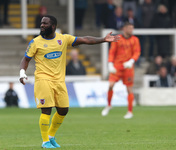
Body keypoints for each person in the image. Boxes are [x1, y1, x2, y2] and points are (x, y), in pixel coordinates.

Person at [19, 15, 119, 148]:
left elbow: (85, 40)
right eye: (41, 23)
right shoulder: (35, 42)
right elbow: (26, 59)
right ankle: (45, 141)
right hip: (43, 80)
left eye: (45, 23)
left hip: (59, 81)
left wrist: (103, 39)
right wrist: (22, 72)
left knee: (63, 110)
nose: (42, 25)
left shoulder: (63, 39)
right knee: (46, 110)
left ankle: (51, 136)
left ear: (53, 26)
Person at [101, 22, 141, 119]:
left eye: (132, 28)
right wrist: (110, 64)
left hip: (128, 67)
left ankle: (130, 111)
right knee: (110, 85)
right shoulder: (118, 38)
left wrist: (131, 61)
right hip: (117, 66)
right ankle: (109, 105)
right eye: (129, 28)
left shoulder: (135, 40)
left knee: (129, 89)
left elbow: (137, 52)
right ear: (124, 29)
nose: (131, 30)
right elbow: (112, 52)